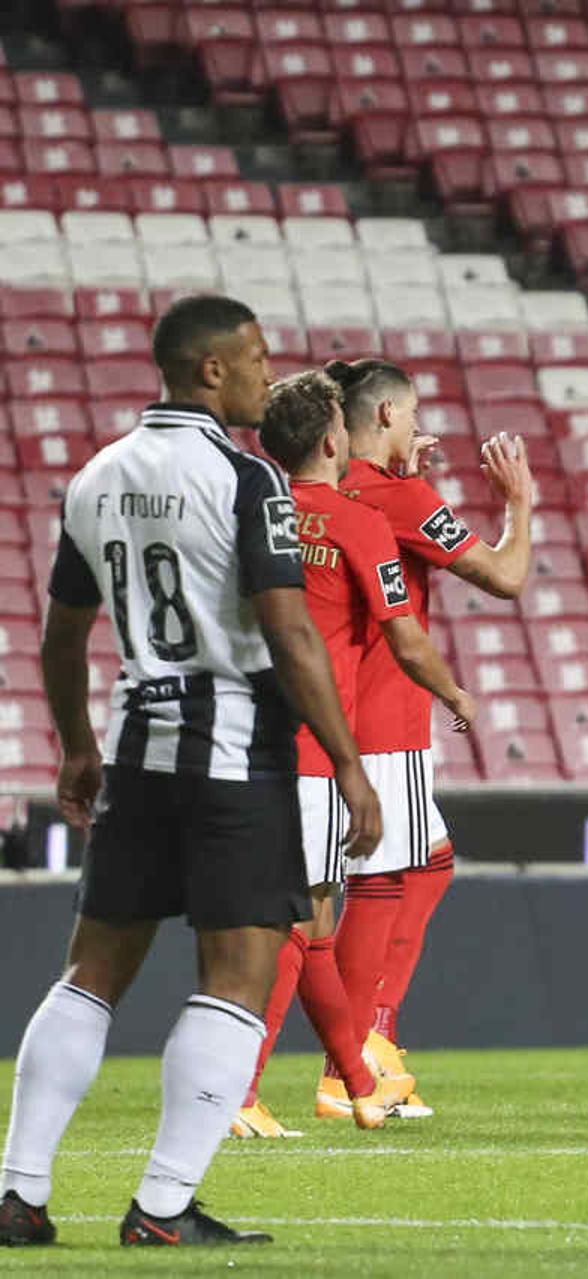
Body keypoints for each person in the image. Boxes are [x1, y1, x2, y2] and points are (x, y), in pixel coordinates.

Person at [0, 295, 379, 1248]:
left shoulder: (97, 476)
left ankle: (18, 1192)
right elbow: (289, 631)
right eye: (253, 357)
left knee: (90, 972)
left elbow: (60, 632)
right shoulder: (248, 480)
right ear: (209, 370)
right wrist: (346, 761)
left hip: (136, 749)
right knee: (241, 974)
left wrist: (79, 746)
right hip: (234, 753)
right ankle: (164, 1206)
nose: (265, 370)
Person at [235, 371, 480, 1139]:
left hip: (247, 738)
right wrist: (457, 695)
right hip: (316, 746)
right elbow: (404, 636)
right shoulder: (355, 522)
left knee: (301, 922)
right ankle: (253, 1087)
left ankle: (354, 1077)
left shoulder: (255, 512)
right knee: (302, 924)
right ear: (336, 438)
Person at [314, 358, 533, 1121]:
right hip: (389, 718)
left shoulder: (323, 488)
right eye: (409, 416)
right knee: (380, 883)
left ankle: (374, 1030)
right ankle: (351, 1063)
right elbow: (506, 576)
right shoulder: (402, 494)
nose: (418, 429)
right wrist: (520, 504)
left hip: (336, 713)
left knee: (429, 861)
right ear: (382, 418)